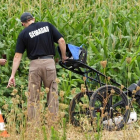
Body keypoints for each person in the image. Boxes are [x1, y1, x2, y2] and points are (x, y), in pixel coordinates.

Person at [7, 12, 67, 125]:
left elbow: (17, 56)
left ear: (23, 23)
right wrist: (63, 57)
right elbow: (61, 41)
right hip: (49, 62)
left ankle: (35, 126)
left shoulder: (23, 33)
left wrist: (12, 75)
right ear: (33, 19)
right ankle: (52, 124)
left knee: (33, 96)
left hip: (35, 65)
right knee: (52, 94)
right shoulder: (47, 25)